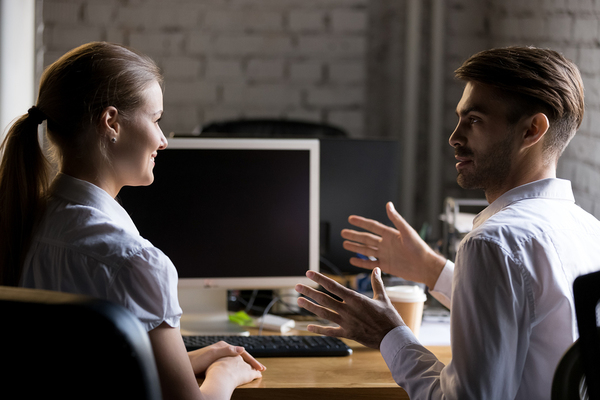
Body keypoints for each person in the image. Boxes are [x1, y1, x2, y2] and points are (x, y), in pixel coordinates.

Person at [295, 46, 600, 399]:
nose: (454, 137)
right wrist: (431, 269)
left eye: (474, 120)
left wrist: (389, 334)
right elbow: (533, 317)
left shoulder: (492, 243)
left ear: (532, 130)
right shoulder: (589, 230)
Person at [0, 42, 264, 400]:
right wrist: (224, 374)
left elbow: (86, 368)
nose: (162, 140)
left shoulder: (24, 221)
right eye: (155, 119)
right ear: (111, 122)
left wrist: (192, 359)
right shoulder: (135, 262)